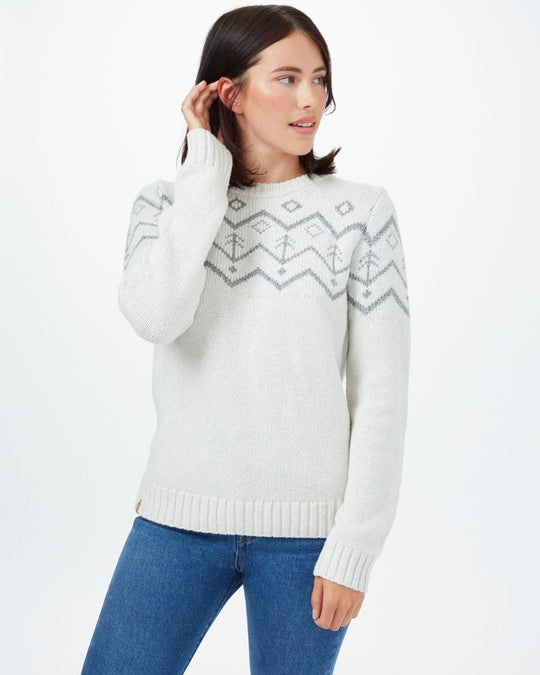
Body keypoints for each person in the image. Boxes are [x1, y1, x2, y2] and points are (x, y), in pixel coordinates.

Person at [81, 4, 411, 674]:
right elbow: (156, 316)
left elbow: (381, 394)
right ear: (227, 93)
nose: (311, 99)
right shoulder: (163, 206)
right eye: (287, 78)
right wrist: (205, 172)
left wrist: (355, 548)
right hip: (175, 521)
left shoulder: (362, 212)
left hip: (308, 540)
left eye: (319, 79)